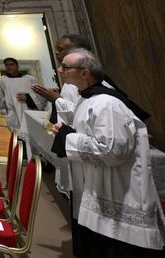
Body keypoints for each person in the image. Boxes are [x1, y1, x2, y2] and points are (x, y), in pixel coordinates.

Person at [51, 49, 165, 257]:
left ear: (84, 73)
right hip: (100, 185)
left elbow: (112, 151)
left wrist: (68, 137)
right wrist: (67, 131)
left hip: (120, 191)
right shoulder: (87, 100)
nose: (60, 70)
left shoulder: (107, 104)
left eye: (65, 67)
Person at [0, 57, 45, 131]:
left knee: (33, 133)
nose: (9, 67)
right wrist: (6, 114)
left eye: (11, 64)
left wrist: (27, 97)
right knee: (18, 136)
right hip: (13, 115)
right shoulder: (3, 80)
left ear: (17, 66)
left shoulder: (30, 79)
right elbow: (1, 98)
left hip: (30, 112)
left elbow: (40, 96)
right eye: (6, 65)